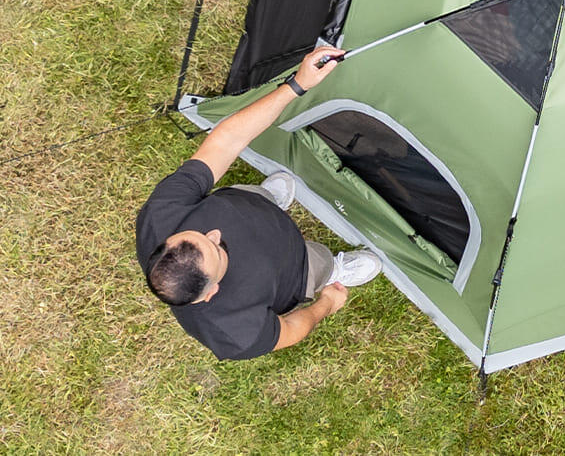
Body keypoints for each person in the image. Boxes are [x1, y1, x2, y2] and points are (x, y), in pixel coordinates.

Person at [136, 46, 383, 360]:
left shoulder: (158, 216)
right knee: (319, 264)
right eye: (216, 247)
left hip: (248, 204)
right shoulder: (233, 333)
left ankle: (270, 198)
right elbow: (291, 329)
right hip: (297, 269)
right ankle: (335, 269)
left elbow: (227, 140)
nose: (214, 232)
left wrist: (297, 85)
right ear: (211, 293)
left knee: (255, 198)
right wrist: (327, 304)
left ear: (164, 245)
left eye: (200, 235)